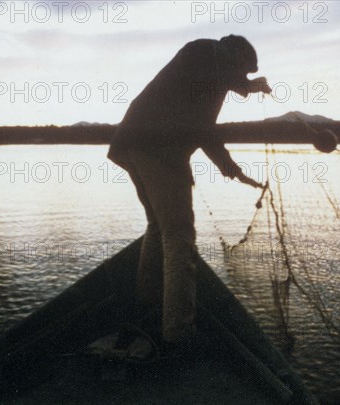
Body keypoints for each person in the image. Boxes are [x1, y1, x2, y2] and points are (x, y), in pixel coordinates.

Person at [107, 35, 271, 350]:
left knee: (160, 227)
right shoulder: (203, 52)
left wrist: (234, 172)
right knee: (179, 236)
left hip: (135, 145)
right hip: (157, 150)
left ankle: (148, 302)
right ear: (234, 56)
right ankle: (179, 332)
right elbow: (206, 122)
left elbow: (203, 127)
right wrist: (248, 86)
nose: (245, 77)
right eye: (245, 69)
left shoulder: (212, 71)